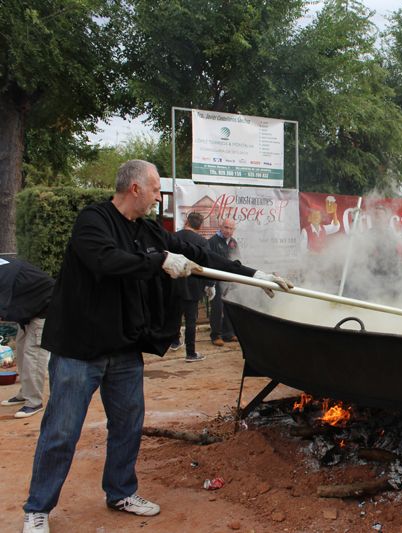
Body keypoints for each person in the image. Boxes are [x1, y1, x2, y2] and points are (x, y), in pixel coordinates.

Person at [21, 160, 292, 533]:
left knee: (128, 425)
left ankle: (121, 492)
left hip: (124, 348)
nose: (156, 198)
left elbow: (199, 254)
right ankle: (38, 508)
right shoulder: (93, 221)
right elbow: (105, 261)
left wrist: (253, 276)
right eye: (153, 190)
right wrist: (160, 260)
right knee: (61, 432)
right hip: (79, 350)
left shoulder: (148, 230)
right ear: (134, 188)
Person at [0, 258, 54, 418]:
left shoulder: (3, 273)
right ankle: (25, 393)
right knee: (22, 352)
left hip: (46, 308)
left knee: (33, 356)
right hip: (28, 311)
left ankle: (34, 401)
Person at [170, 212, 215, 362]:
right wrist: (210, 284)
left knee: (175, 314)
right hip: (193, 284)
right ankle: (191, 353)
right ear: (200, 225)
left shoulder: (174, 237)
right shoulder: (202, 241)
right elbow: (207, 263)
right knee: (190, 320)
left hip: (174, 282)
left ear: (186, 221)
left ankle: (175, 341)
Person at [208, 218, 240, 346]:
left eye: (231, 228)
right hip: (216, 280)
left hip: (230, 281)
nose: (228, 230)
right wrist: (210, 283)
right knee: (217, 308)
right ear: (221, 227)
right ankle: (215, 335)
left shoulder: (233, 242)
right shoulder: (212, 242)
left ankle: (228, 333)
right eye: (226, 227)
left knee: (229, 306)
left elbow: (238, 259)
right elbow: (209, 262)